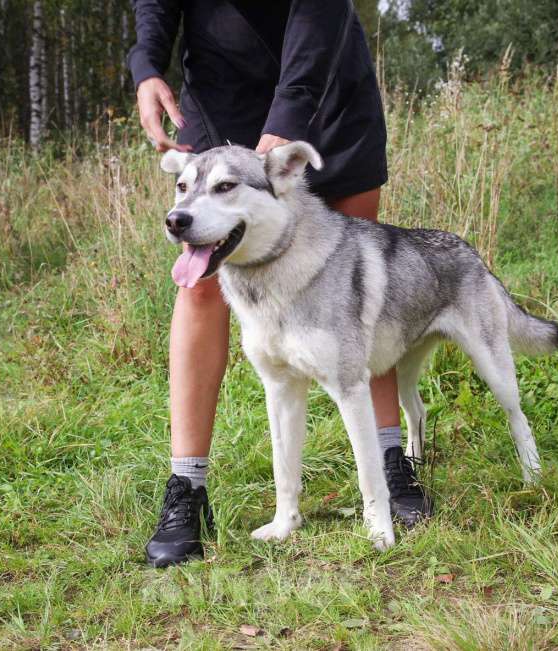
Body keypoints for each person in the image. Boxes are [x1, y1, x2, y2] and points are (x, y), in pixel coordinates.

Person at [128, 0, 432, 568]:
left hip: (328, 84)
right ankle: (187, 489)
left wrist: (287, 123)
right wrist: (146, 63)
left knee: (363, 277)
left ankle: (393, 463)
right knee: (198, 283)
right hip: (220, 90)